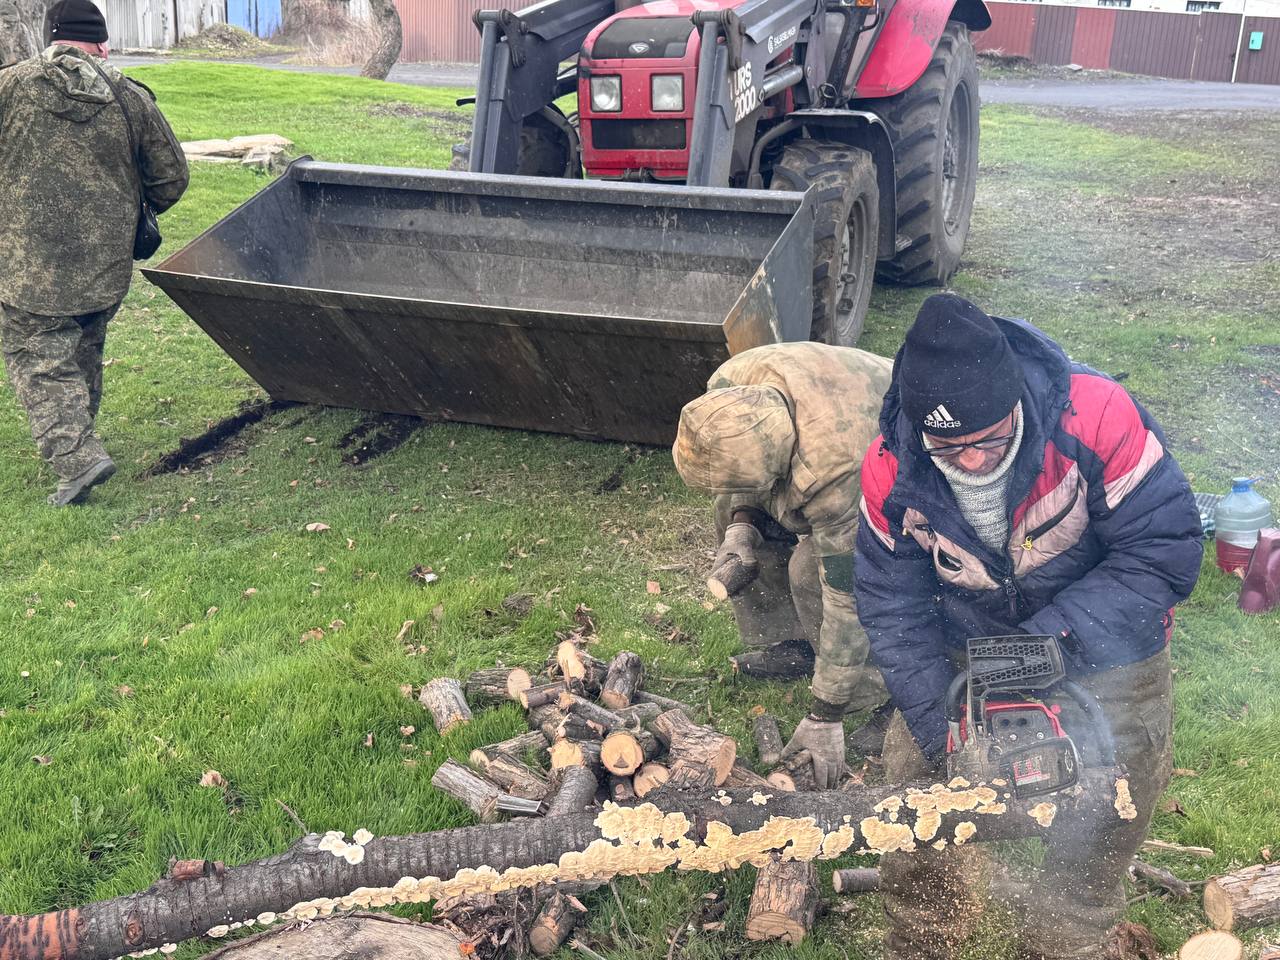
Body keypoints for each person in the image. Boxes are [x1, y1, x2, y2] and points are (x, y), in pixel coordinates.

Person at [854, 294, 1204, 959]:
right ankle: (924, 934)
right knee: (914, 783)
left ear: (1014, 399)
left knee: (1114, 788)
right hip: (966, 643)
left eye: (989, 440)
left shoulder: (1095, 416)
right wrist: (941, 731)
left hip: (1107, 635)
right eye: (951, 447)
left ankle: (1066, 935)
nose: (975, 461)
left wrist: (1045, 645)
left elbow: (1165, 548)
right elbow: (889, 603)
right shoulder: (891, 466)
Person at [672, 341, 894, 787]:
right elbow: (741, 471)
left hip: (901, 471)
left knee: (810, 570)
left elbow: (846, 596)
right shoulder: (728, 388)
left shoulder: (836, 471)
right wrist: (742, 525)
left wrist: (825, 714)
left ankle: (879, 689)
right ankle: (791, 642)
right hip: (820, 417)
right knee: (730, 517)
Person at [0, 0, 188, 506]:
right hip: (105, 263)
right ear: (101, 43)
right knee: (82, 345)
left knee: (38, 358)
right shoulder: (130, 98)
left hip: (24, 262)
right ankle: (80, 440)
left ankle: (78, 459)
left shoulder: (9, 86)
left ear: (51, 37)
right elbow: (171, 179)